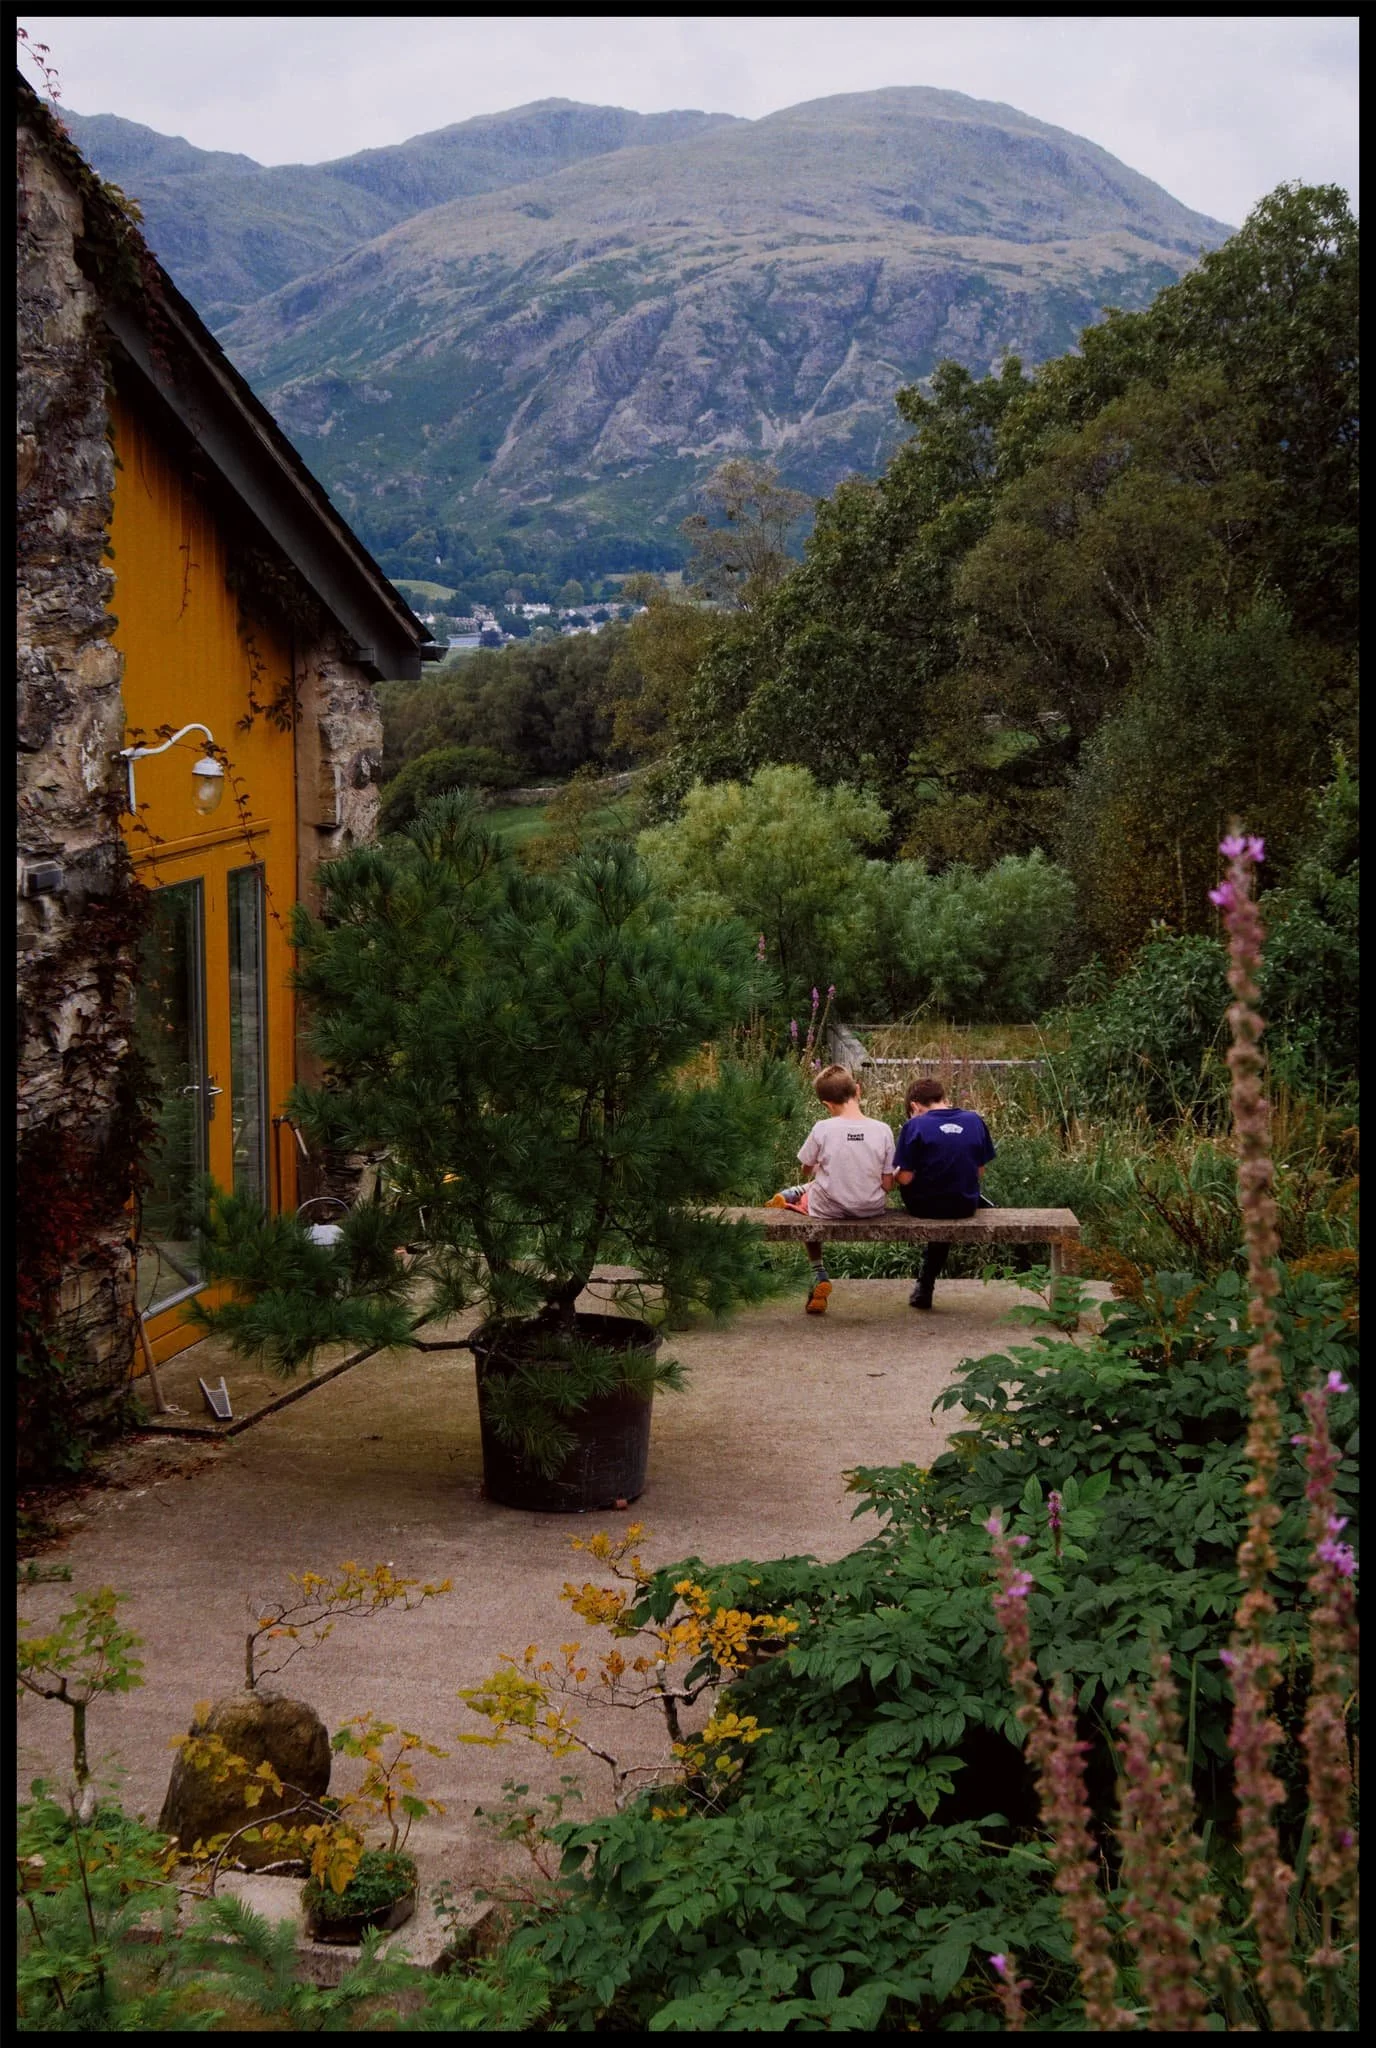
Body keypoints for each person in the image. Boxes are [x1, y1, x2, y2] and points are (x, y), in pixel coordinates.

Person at [769, 1064, 895, 1315]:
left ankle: (818, 1271)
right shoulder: (883, 1130)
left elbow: (806, 1167)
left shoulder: (822, 1128)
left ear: (826, 1104)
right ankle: (795, 1193)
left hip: (828, 1208)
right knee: (820, 1187)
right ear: (857, 1090)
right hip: (870, 1208)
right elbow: (888, 1184)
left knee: (813, 1197)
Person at [893, 1077, 996, 1310]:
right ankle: (925, 1283)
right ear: (944, 1099)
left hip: (923, 1207)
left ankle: (925, 1285)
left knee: (935, 1197)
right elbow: (979, 1171)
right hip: (964, 1204)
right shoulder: (975, 1120)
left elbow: (906, 1178)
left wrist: (895, 1173)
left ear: (914, 1106)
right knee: (951, 1195)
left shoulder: (914, 1126)